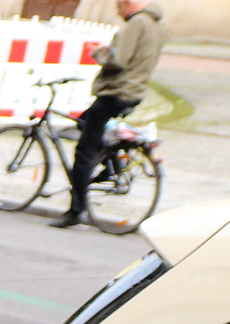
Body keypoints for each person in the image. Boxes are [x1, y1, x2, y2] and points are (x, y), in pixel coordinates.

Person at [54, 0, 165, 229]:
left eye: (119, 6)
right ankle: (110, 163)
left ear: (128, 3)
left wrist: (99, 52)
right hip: (134, 92)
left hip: (116, 92)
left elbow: (119, 60)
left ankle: (76, 210)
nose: (118, 11)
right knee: (85, 121)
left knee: (84, 151)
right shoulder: (157, 25)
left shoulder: (136, 23)